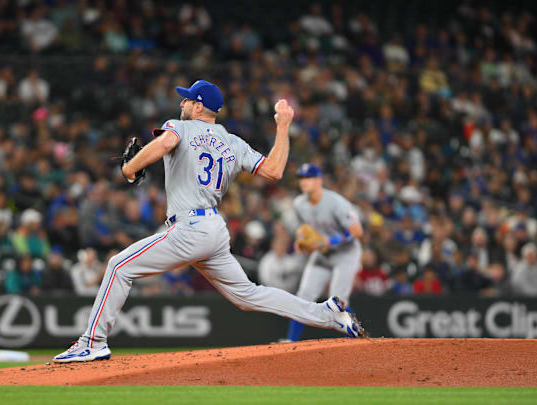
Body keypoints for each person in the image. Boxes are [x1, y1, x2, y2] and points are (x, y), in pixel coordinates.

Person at [54, 80, 364, 363]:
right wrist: (283, 128)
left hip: (189, 227)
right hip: (214, 230)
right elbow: (274, 171)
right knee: (248, 294)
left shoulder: (179, 126)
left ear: (199, 106)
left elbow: (163, 144)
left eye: (187, 100)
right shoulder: (233, 142)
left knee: (118, 266)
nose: (182, 104)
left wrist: (129, 169)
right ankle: (328, 315)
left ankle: (92, 342)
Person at [282, 163, 366, 342]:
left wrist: (331, 241)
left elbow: (358, 231)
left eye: (309, 178)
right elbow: (306, 231)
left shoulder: (336, 202)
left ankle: (359, 340)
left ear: (319, 180)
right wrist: (302, 243)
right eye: (302, 178)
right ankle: (290, 342)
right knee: (303, 297)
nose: (304, 182)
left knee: (337, 302)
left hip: (346, 253)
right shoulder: (299, 204)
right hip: (323, 253)